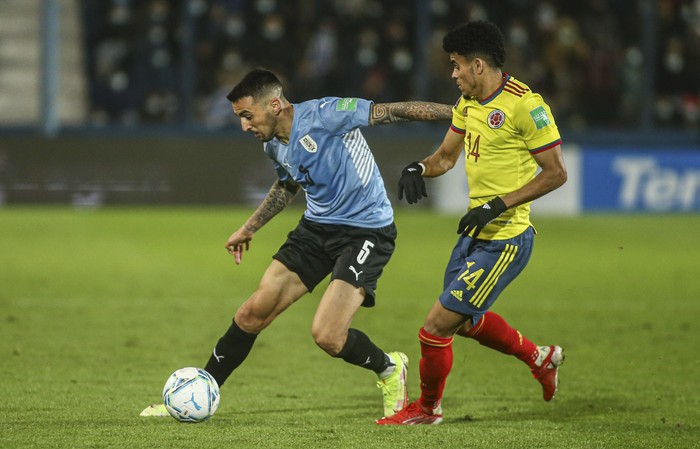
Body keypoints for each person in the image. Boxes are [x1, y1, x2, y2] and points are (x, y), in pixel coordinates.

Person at [140, 69, 453, 419]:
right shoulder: (272, 142)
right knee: (251, 313)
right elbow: (287, 184)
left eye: (247, 116)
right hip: (316, 229)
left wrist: (459, 114)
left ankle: (389, 367)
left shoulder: (328, 114)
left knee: (328, 335)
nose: (244, 126)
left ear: (274, 105)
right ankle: (199, 392)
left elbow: (394, 111)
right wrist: (250, 227)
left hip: (366, 231)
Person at [377, 20, 568, 425]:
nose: (453, 73)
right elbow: (445, 158)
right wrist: (418, 166)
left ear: (478, 65)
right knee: (464, 323)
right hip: (473, 235)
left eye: (457, 65)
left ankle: (428, 410)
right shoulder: (469, 104)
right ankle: (541, 358)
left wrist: (498, 205)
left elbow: (555, 173)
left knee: (434, 327)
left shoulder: (526, 106)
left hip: (506, 239)